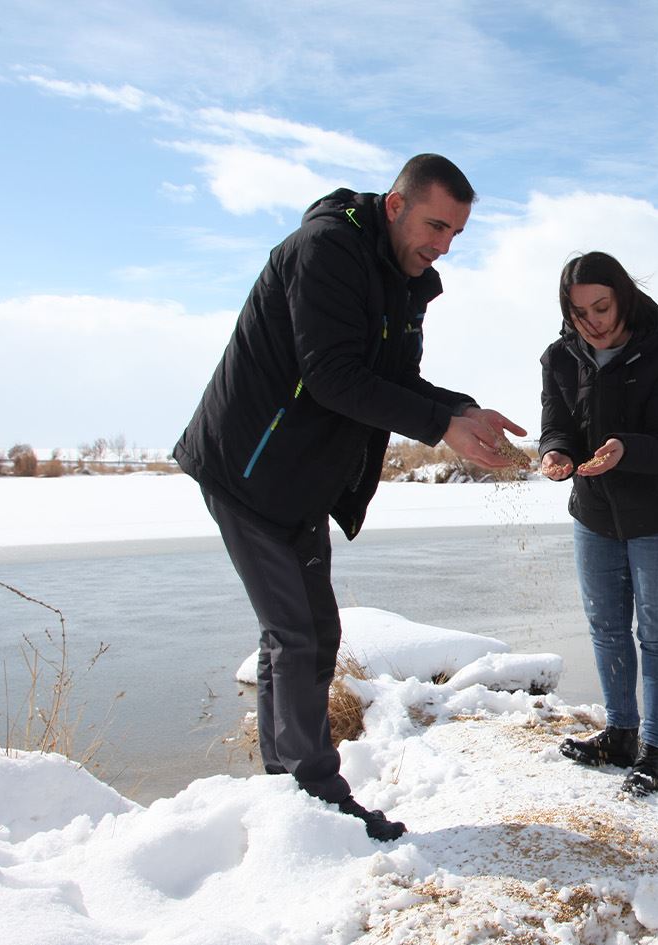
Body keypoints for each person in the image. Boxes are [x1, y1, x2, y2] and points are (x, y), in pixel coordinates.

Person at [175, 153, 525, 843]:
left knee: (307, 633)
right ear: (396, 206)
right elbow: (333, 375)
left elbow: (393, 379)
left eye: (456, 233)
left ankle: (289, 790)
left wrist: (460, 408)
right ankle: (318, 796)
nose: (443, 244)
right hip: (247, 467)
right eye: (434, 225)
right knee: (297, 633)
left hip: (300, 475)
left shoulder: (403, 281)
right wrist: (440, 425)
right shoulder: (327, 249)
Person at [538, 252, 658, 797]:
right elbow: (556, 427)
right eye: (580, 311)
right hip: (594, 516)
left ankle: (653, 750)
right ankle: (619, 735)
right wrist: (556, 455)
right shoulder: (559, 357)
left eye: (602, 306)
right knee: (606, 629)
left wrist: (624, 450)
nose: (594, 321)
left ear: (623, 296)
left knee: (656, 635)